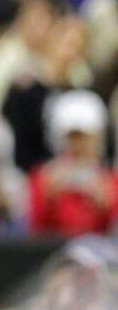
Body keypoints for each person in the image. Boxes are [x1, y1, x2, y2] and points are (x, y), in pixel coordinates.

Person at [28, 90, 118, 237]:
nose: (80, 145)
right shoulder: (43, 178)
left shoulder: (111, 182)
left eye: (86, 137)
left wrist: (107, 204)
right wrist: (48, 196)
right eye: (73, 137)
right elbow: (33, 231)